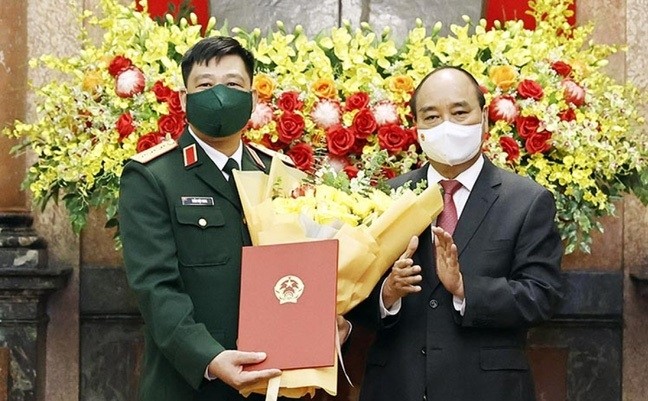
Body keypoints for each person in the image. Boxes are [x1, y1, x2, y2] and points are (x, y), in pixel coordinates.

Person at [119, 36, 350, 401]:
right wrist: (208, 357)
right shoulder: (152, 176)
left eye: (233, 84)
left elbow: (304, 267)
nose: (219, 94)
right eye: (205, 85)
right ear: (184, 99)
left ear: (253, 99)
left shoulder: (279, 171)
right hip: (190, 384)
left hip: (277, 383)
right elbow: (155, 288)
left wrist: (323, 323)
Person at [349, 66, 564, 401]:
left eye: (460, 112)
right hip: (396, 386)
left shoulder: (526, 201)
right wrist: (387, 294)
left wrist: (466, 288)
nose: (446, 125)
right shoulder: (387, 198)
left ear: (485, 122)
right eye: (431, 116)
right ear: (417, 129)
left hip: (487, 390)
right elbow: (351, 295)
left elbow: (542, 297)